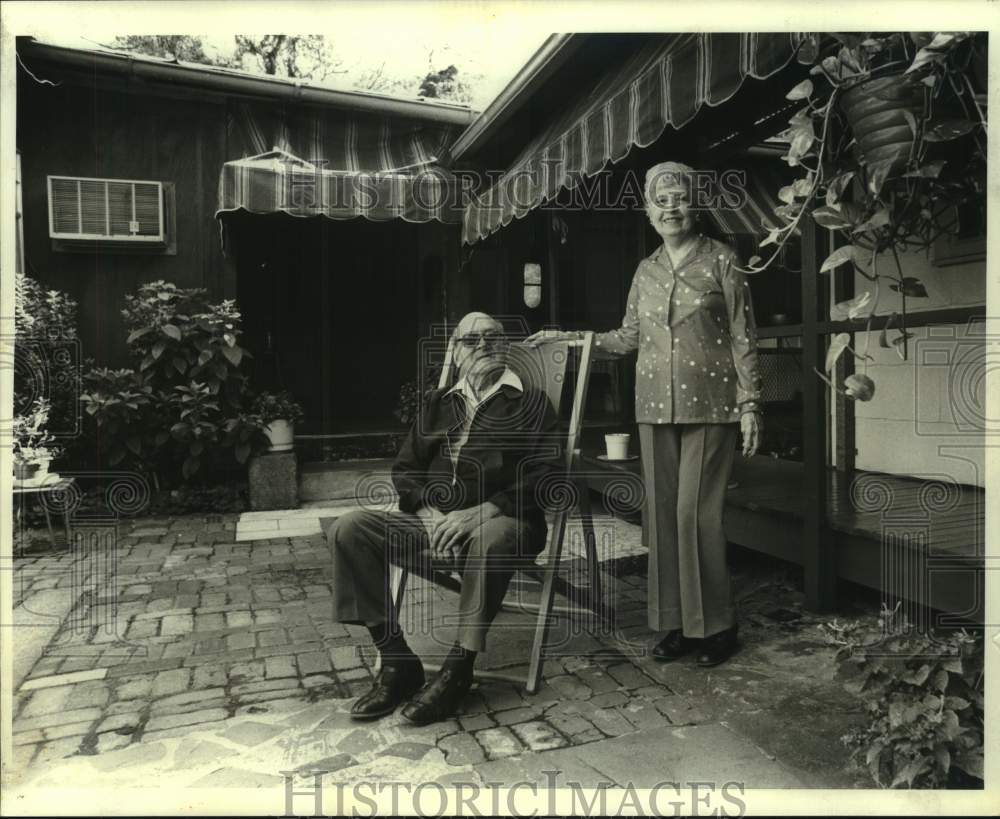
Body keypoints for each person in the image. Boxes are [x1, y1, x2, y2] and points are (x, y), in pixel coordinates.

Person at [527, 161, 763, 667]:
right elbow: (627, 338)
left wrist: (750, 403)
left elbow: (745, 335)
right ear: (648, 213)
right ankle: (677, 624)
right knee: (661, 518)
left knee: (695, 515)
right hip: (654, 406)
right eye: (661, 201)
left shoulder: (723, 260)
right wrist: (569, 337)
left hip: (711, 403)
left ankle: (717, 627)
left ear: (693, 205)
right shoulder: (646, 271)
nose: (671, 207)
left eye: (679, 197)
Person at [327, 312, 559, 725]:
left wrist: (480, 512)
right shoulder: (438, 403)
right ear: (455, 351)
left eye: (493, 338)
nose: (484, 346)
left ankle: (459, 669)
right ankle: (398, 662)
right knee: (350, 528)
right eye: (471, 340)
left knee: (491, 537)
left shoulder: (531, 402)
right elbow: (405, 469)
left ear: (506, 348)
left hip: (504, 524)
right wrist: (430, 513)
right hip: (433, 525)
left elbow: (547, 474)